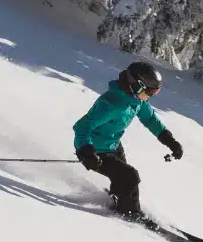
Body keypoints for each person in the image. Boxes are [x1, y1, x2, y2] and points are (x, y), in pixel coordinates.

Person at [74, 61, 184, 217]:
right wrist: (86, 151)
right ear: (136, 86)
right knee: (130, 176)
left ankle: (122, 202)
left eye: (155, 92)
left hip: (113, 145)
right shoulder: (111, 104)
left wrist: (170, 141)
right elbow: (82, 127)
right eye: (150, 92)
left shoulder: (136, 101)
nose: (151, 96)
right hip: (95, 150)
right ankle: (129, 213)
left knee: (124, 178)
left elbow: (150, 119)